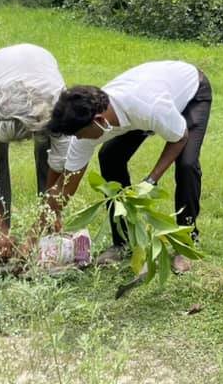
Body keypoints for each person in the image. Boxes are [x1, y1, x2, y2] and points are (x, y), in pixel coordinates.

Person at [45, 61, 212, 269]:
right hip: (150, 96)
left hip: (192, 92)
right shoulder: (91, 123)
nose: (78, 139)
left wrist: (150, 181)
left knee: (187, 164)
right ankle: (122, 243)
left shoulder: (149, 108)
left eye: (79, 134)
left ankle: (187, 244)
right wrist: (39, 229)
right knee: (109, 157)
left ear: (99, 121)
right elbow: (65, 187)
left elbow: (180, 137)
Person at [0, 43, 70, 262]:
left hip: (42, 64)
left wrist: (49, 213)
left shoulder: (57, 102)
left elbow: (62, 160)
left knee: (47, 150)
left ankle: (49, 228)